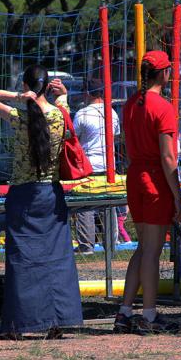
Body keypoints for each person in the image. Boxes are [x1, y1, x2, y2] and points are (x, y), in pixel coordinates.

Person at [0, 66, 83, 338]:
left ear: (26, 86)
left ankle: (18, 324)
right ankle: (57, 321)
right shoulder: (60, 115)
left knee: (22, 261)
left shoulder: (19, 118)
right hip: (51, 195)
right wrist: (62, 94)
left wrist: (19, 97)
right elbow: (62, 105)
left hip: (23, 196)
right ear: (47, 86)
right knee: (57, 259)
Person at [115, 50, 181, 334]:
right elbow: (168, 157)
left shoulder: (131, 103)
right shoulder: (163, 107)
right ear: (164, 73)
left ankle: (124, 311)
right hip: (155, 180)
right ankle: (150, 315)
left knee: (143, 248)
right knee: (152, 252)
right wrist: (178, 197)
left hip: (135, 177)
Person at [72, 78, 121, 254]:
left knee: (85, 206)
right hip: (108, 166)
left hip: (89, 166)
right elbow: (116, 136)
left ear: (87, 93)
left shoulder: (82, 113)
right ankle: (111, 244)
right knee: (108, 205)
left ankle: (86, 245)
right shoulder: (112, 113)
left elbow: (74, 138)